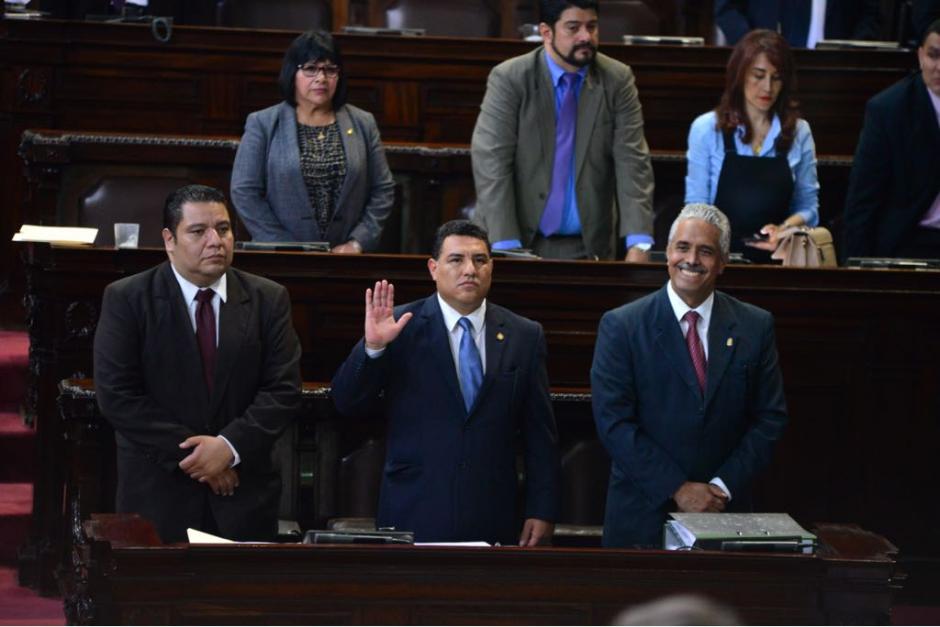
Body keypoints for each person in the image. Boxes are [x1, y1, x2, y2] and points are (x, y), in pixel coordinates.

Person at [93, 184, 302, 543]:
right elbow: (118, 396)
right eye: (198, 231)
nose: (215, 241)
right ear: (169, 239)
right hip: (159, 493)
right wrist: (202, 460)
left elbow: (282, 390)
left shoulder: (269, 298)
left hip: (243, 494)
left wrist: (228, 448)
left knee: (238, 599)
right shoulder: (128, 298)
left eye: (223, 229)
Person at [331, 220, 561, 545]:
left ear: (492, 267)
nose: (470, 269)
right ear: (433, 268)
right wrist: (374, 348)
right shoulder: (399, 326)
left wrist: (543, 509)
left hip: (493, 512)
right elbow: (347, 402)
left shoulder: (524, 335)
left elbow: (541, 433)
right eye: (457, 260)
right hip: (415, 510)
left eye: (480, 260)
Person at [591, 204, 788, 548]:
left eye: (706, 251)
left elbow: (769, 418)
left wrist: (720, 488)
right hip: (642, 517)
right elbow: (613, 421)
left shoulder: (755, 326)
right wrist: (677, 489)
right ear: (667, 253)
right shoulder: (622, 325)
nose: (692, 259)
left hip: (727, 513)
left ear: (723, 261)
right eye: (682, 247)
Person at [470, 0, 654, 261]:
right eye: (573, 28)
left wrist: (639, 243)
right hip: (516, 239)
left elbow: (633, 162)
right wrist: (506, 246)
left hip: (590, 246)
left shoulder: (617, 79)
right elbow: (491, 163)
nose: (585, 37)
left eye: (592, 27)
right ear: (546, 32)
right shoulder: (510, 78)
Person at [231, 30, 395, 253]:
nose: (321, 78)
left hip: (347, 258)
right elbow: (244, 191)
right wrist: (282, 244)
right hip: (280, 257)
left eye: (330, 70)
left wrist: (358, 243)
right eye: (310, 69)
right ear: (292, 73)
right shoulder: (263, 123)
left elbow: (383, 189)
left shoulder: (363, 123)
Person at [685, 29, 819, 263]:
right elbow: (695, 209)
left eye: (776, 78)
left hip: (780, 257)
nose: (768, 88)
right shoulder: (706, 129)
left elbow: (809, 209)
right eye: (758, 75)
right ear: (740, 75)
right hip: (719, 259)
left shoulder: (800, 132)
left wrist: (783, 228)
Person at [843, 19, 940, 260]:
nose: (939, 67)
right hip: (908, 240)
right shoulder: (889, 110)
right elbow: (863, 199)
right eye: (934, 56)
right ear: (920, 56)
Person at [715, 0, 881, 48]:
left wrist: (854, 51)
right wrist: (753, 48)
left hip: (840, 69)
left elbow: (870, 13)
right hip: (768, 66)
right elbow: (726, 8)